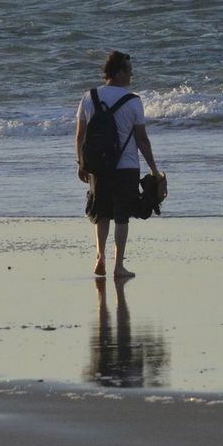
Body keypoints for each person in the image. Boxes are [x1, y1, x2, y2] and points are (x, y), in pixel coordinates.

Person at [74, 51, 161, 280]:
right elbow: (142, 139)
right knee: (122, 216)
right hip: (126, 166)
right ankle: (118, 266)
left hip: (97, 167)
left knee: (101, 213)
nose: (131, 75)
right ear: (119, 72)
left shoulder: (89, 97)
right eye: (129, 70)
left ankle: (100, 258)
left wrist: (81, 163)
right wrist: (153, 169)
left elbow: (80, 135)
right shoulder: (133, 101)